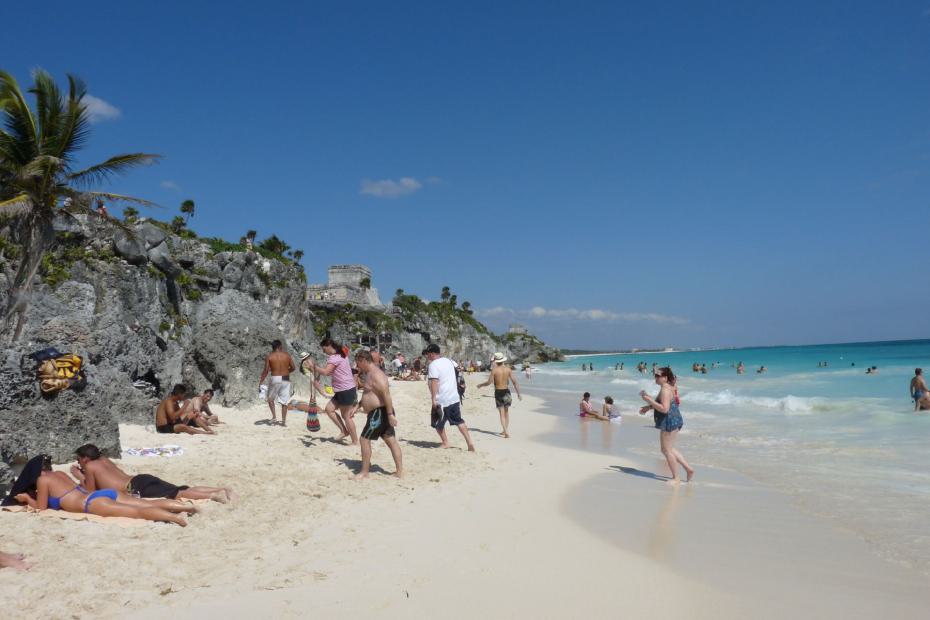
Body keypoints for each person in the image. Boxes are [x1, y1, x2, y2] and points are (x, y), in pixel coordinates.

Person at [12, 455, 195, 526]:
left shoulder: (42, 480)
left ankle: (175, 517)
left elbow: (42, 508)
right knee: (147, 503)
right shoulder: (59, 473)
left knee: (138, 512)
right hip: (102, 494)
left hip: (91, 504)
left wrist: (29, 500)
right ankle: (186, 508)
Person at [71, 443, 236, 503]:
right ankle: (219, 489)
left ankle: (213, 496)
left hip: (135, 488)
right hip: (140, 478)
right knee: (181, 489)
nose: (79, 463)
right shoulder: (104, 460)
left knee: (179, 494)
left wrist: (80, 477)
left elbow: (90, 493)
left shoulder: (90, 467)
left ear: (86, 458)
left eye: (79, 459)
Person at [352, 350, 403, 479]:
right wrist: (357, 406)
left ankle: (364, 472)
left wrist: (390, 414)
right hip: (379, 413)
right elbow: (368, 395)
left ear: (364, 360)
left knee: (364, 439)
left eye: (358, 363)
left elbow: (386, 394)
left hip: (379, 413)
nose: (358, 367)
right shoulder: (369, 374)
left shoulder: (376, 375)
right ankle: (399, 472)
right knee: (390, 440)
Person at [639, 367, 694, 485]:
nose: (656, 378)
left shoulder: (665, 389)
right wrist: (648, 407)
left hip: (668, 421)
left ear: (665, 377)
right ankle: (689, 469)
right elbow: (661, 402)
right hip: (676, 419)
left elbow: (664, 409)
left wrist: (648, 399)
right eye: (655, 375)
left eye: (658, 376)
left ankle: (676, 478)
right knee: (670, 449)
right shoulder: (669, 386)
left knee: (666, 450)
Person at [308, 338, 359, 445]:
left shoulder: (334, 358)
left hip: (346, 390)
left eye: (324, 348)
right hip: (343, 390)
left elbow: (326, 372)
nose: (323, 351)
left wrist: (314, 367)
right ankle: (344, 431)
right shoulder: (343, 352)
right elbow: (336, 371)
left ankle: (355, 441)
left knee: (346, 417)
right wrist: (317, 374)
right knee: (329, 409)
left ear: (328, 345)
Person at [426, 343, 475, 451]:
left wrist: (433, 399)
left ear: (432, 354)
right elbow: (459, 371)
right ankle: (470, 443)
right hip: (454, 397)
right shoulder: (449, 361)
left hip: (442, 400)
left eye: (428, 354)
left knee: (437, 423)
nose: (427, 356)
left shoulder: (433, 365)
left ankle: (445, 442)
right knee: (459, 421)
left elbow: (434, 381)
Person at [477, 352, 522, 438]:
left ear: (496, 361)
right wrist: (518, 394)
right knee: (506, 412)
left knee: (501, 413)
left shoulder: (494, 370)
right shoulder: (508, 369)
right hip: (506, 392)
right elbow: (515, 382)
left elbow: (489, 382)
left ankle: (505, 431)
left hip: (498, 392)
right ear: (503, 360)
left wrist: (480, 385)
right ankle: (505, 430)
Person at [259, 339, 296, 426]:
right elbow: (293, 367)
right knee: (285, 401)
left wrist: (261, 380)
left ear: (273, 347)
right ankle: (283, 421)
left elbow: (266, 370)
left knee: (270, 399)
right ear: (280, 346)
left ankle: (274, 417)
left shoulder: (270, 356)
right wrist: (286, 372)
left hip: (275, 378)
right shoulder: (287, 355)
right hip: (285, 378)